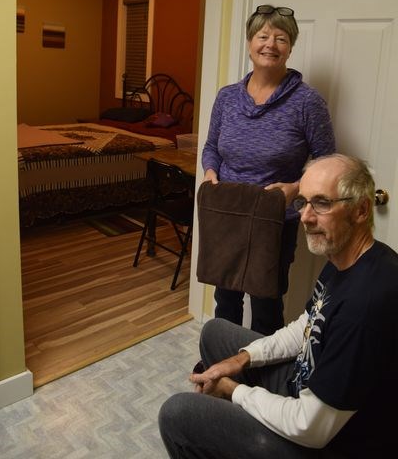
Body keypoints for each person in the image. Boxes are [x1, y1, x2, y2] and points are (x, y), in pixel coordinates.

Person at [159, 154, 398, 458]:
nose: (306, 217)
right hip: (304, 382)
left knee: (178, 414)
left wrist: (235, 391)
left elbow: (310, 427)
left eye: (321, 203)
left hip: (323, 439)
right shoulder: (345, 257)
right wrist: (243, 359)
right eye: (303, 202)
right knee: (215, 332)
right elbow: (308, 325)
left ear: (361, 209)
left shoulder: (366, 306)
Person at [201, 4, 335, 335]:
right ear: (249, 43)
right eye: (263, 36)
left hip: (274, 218)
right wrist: (209, 172)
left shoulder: (307, 102)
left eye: (281, 38)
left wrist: (295, 189)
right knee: (226, 297)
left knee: (266, 303)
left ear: (290, 47)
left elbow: (326, 162)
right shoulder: (227, 97)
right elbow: (211, 148)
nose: (270, 45)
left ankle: (260, 375)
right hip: (228, 212)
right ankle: (222, 362)